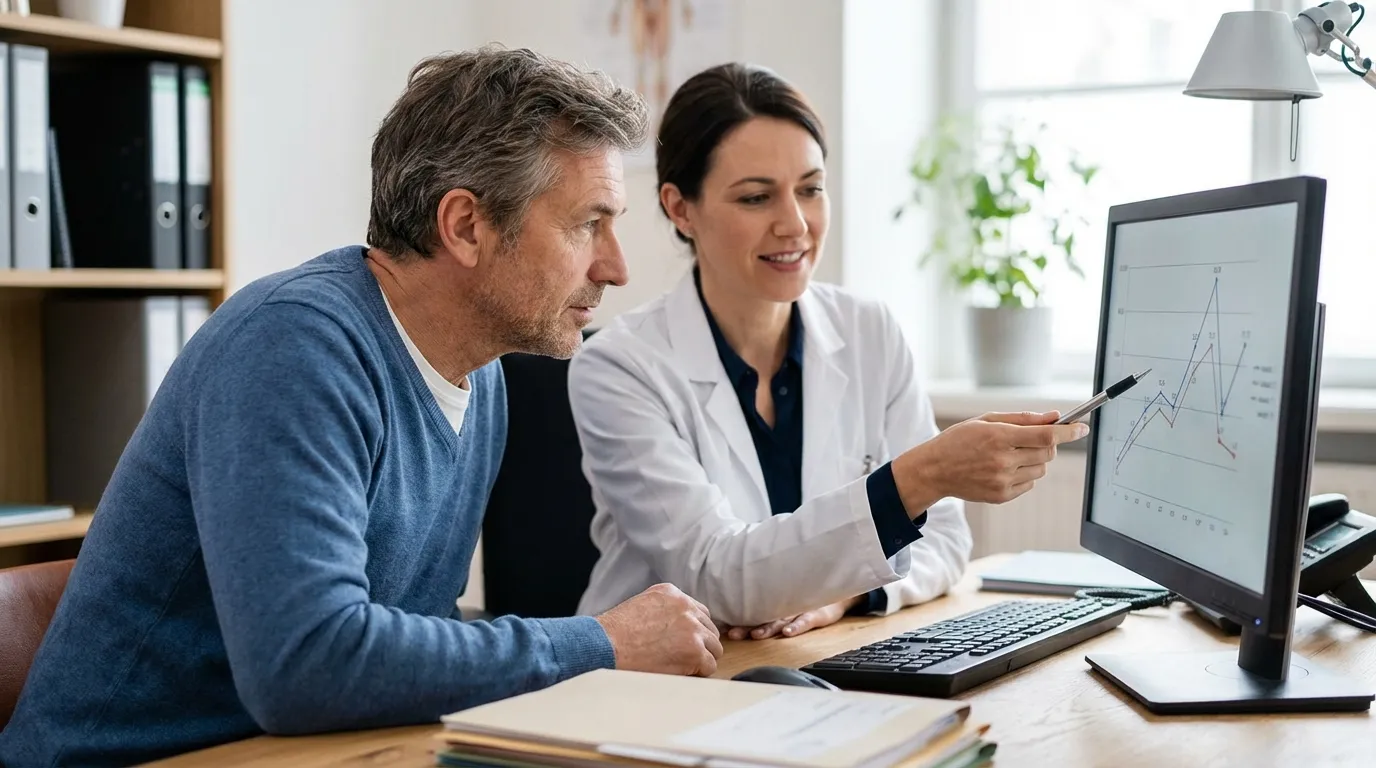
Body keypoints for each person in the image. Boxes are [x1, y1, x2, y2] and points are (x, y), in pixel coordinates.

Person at [0, 46, 724, 768]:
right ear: (466, 226)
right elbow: (307, 665)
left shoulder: (481, 370)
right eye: (586, 225)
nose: (616, 266)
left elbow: (402, 632)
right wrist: (600, 643)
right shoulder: (292, 344)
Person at [568, 62, 1087, 639]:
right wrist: (924, 474)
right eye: (757, 197)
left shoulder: (870, 331)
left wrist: (851, 595)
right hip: (666, 683)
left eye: (811, 190)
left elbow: (943, 539)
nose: (795, 225)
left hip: (816, 658)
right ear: (680, 208)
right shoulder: (620, 366)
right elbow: (717, 577)